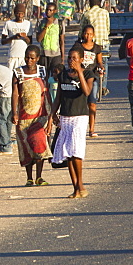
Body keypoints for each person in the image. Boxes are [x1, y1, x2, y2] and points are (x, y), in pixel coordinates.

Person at [46, 48, 96, 199]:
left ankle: (81, 184)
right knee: (68, 153)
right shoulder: (63, 75)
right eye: (69, 58)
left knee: (76, 151)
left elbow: (87, 92)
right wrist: (51, 116)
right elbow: (58, 98)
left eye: (74, 58)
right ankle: (75, 188)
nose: (71, 61)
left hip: (80, 116)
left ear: (81, 59)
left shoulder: (87, 74)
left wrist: (79, 72)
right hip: (65, 117)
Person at [12, 45, 51, 186]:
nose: (29, 60)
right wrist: (14, 112)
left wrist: (52, 113)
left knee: (40, 144)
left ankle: (39, 176)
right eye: (27, 57)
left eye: (32, 58)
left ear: (38, 59)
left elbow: (46, 92)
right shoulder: (18, 72)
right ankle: (29, 177)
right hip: (24, 116)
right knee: (26, 146)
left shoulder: (42, 71)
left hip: (41, 115)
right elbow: (15, 93)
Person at [72, 25, 105, 137]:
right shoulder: (78, 46)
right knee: (79, 104)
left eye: (90, 34)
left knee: (92, 103)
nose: (88, 36)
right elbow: (72, 57)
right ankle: (78, 129)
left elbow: (99, 61)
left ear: (93, 35)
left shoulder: (97, 48)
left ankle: (91, 129)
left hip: (92, 77)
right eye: (86, 33)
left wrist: (101, 67)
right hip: (79, 77)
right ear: (83, 34)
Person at [79, 0, 110, 96]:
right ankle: (104, 86)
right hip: (104, 42)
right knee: (104, 64)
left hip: (92, 44)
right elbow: (108, 28)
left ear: (90, 3)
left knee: (90, 63)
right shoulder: (105, 12)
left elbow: (81, 31)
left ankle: (90, 84)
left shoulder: (87, 14)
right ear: (99, 3)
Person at [1, 3, 33, 70]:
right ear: (15, 13)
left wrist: (25, 37)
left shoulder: (28, 24)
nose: (20, 16)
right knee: (11, 76)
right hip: (12, 56)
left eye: (22, 14)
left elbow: (30, 42)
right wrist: (13, 37)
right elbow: (3, 41)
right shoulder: (8, 23)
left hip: (24, 56)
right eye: (18, 13)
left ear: (24, 14)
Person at [38, 2, 64, 74]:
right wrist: (46, 26)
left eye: (50, 10)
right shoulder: (41, 23)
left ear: (54, 11)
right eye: (47, 10)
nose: (48, 12)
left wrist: (62, 57)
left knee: (55, 77)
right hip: (44, 55)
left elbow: (61, 41)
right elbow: (39, 39)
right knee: (43, 76)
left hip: (56, 55)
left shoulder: (59, 23)